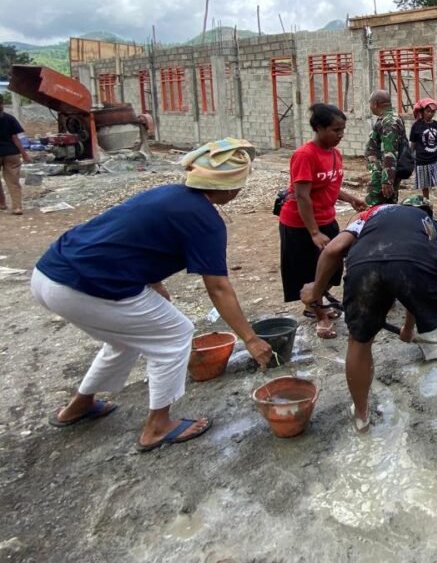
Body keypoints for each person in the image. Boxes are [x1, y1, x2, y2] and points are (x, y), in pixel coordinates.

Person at [30, 139, 274, 451]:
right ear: (229, 187)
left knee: (126, 338)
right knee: (175, 334)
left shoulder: (168, 195)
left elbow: (134, 237)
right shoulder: (205, 221)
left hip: (48, 273)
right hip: (85, 285)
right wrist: (250, 339)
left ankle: (79, 405)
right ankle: (158, 426)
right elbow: (218, 287)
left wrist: (154, 282)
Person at [300, 198, 437, 436]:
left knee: (359, 340)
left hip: (364, 263)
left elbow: (334, 249)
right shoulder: (428, 225)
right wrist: (410, 325)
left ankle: (361, 416)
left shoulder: (369, 215)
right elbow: (416, 279)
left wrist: (315, 291)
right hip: (414, 260)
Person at [278, 104, 364, 339]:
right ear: (319, 128)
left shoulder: (335, 154)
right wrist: (314, 232)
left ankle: (315, 302)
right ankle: (320, 316)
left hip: (327, 219)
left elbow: (329, 185)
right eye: (336, 130)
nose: (340, 135)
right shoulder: (305, 155)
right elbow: (303, 196)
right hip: (300, 225)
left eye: (342, 130)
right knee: (308, 271)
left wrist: (351, 198)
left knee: (331, 267)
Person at [365, 89, 405, 206]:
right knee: (387, 206)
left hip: (382, 174)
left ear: (375, 104)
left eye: (370, 103)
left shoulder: (389, 122)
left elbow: (390, 152)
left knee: (375, 206)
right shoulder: (388, 118)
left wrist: (387, 180)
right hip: (383, 172)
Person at [410, 98, 437, 217]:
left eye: (432, 112)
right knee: (425, 185)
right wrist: (410, 159)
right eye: (428, 111)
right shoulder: (416, 125)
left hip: (435, 158)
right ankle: (428, 206)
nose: (430, 114)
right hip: (421, 160)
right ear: (422, 112)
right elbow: (413, 144)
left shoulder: (436, 125)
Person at [0, 98, 31, 216]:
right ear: (2, 104)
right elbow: (15, 138)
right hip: (11, 154)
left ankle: (2, 203)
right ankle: (17, 207)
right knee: (13, 181)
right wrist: (25, 154)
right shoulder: (9, 118)